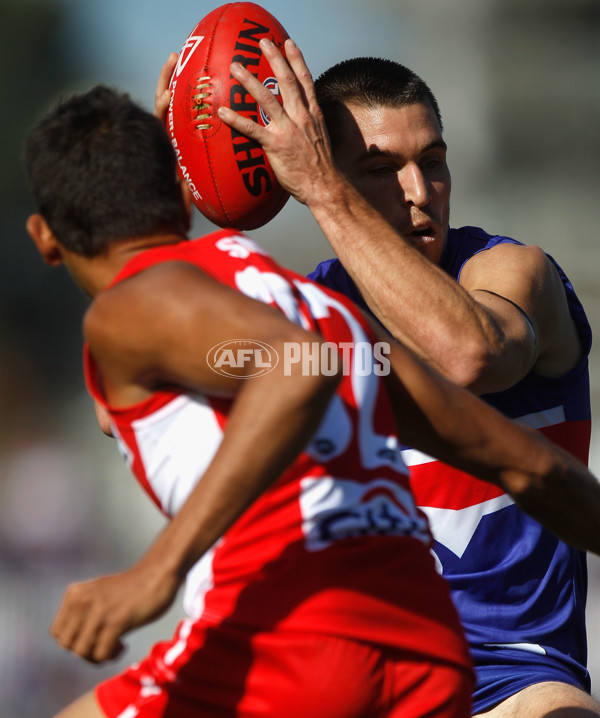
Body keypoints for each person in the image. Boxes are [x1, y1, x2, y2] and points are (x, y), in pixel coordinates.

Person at [24, 86, 600, 718]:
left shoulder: (509, 272)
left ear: (44, 239)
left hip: (433, 658)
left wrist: (153, 572)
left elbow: (456, 356)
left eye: (432, 162)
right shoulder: (328, 319)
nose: (417, 191)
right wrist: (181, 155)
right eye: (380, 170)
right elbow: (531, 466)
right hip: (425, 653)